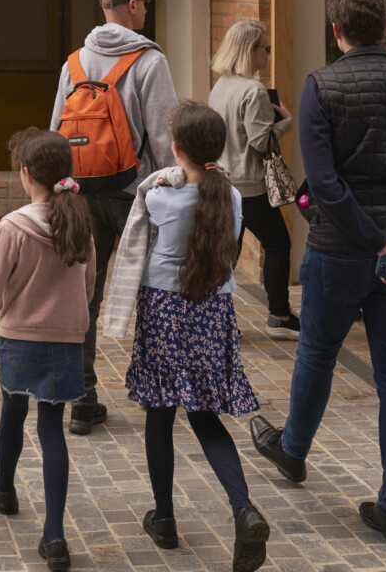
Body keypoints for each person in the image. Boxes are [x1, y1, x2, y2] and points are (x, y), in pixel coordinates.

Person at [250, 0, 386, 549]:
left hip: (340, 250)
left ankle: (293, 451)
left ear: (336, 30)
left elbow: (324, 183)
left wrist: (375, 242)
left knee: (317, 352)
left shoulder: (322, 87)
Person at [119, 102, 269, 572]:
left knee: (160, 414)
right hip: (212, 310)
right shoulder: (234, 197)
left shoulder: (160, 195)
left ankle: (164, 518)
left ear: (176, 148)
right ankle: (243, 508)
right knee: (205, 417)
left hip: (163, 307)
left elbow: (142, 201)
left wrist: (163, 177)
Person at [48, 0, 177, 434]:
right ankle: (155, 389)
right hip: (137, 196)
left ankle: (83, 399)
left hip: (83, 195)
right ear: (136, 4)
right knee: (154, 290)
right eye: (145, 2)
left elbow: (56, 133)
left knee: (85, 295)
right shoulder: (149, 61)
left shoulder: (74, 63)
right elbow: (164, 136)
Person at [0, 128, 95, 572]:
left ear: (25, 175)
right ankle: (55, 536)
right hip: (66, 341)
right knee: (52, 430)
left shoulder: (15, 226)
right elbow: (89, 285)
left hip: (20, 336)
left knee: (12, 411)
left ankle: (4, 487)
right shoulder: (80, 224)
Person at [208, 21, 297, 339]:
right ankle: (280, 316)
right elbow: (262, 143)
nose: (269, 54)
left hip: (222, 182)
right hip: (249, 186)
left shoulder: (220, 86)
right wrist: (286, 121)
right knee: (278, 244)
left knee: (226, 253)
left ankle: (217, 321)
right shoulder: (253, 90)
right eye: (265, 48)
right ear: (250, 51)